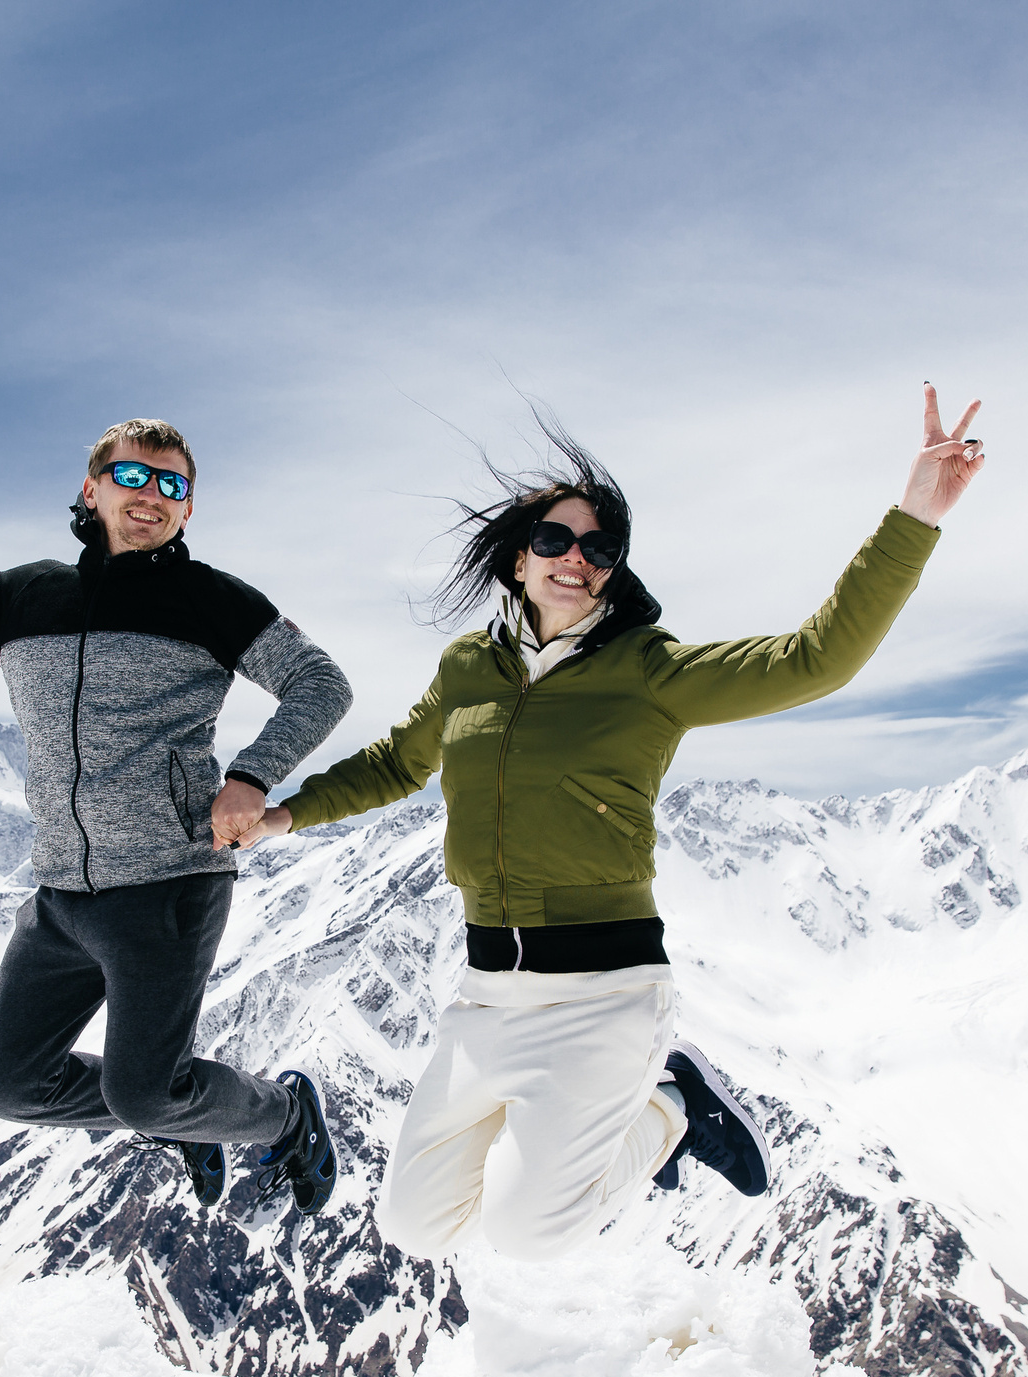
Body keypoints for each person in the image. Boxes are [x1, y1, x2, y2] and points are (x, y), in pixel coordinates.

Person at [235, 388, 984, 1261]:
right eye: (555, 539)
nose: (576, 559)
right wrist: (284, 814)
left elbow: (816, 658)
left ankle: (672, 1102)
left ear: (613, 571)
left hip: (606, 996)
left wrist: (914, 517)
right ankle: (637, 1110)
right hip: (486, 993)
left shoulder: (649, 670)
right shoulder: (469, 667)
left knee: (526, 1234)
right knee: (413, 1225)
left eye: (600, 549)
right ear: (520, 556)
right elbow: (398, 761)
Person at [0, 412, 352, 1214]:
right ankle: (181, 1114)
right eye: (132, 475)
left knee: (146, 1093)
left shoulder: (214, 602)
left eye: (172, 484)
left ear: (188, 508)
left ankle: (284, 1114)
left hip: (168, 886)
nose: (151, 494)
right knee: (10, 1085)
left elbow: (322, 682)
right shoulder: (26, 597)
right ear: (92, 490)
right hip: (62, 895)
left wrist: (251, 775)